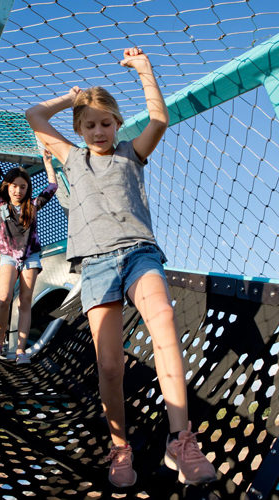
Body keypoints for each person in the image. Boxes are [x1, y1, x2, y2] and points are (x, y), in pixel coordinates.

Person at [25, 47, 217, 487]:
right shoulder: (72, 158)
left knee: (163, 318)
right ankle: (119, 446)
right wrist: (68, 99)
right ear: (79, 128)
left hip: (138, 252)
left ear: (116, 124)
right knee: (109, 365)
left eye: (106, 123)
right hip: (94, 264)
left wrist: (145, 70)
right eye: (89, 125)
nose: (98, 131)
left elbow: (160, 121)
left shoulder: (132, 153)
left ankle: (181, 440)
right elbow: (35, 116)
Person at [0, 138, 58, 365]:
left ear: (27, 189)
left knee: (24, 302)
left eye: (22, 187)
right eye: (14, 186)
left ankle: (20, 351)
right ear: (8, 187)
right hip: (8, 256)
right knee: (3, 298)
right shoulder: (0, 205)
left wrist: (47, 163)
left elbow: (52, 186)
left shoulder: (32, 206)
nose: (18, 190)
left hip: (30, 257)